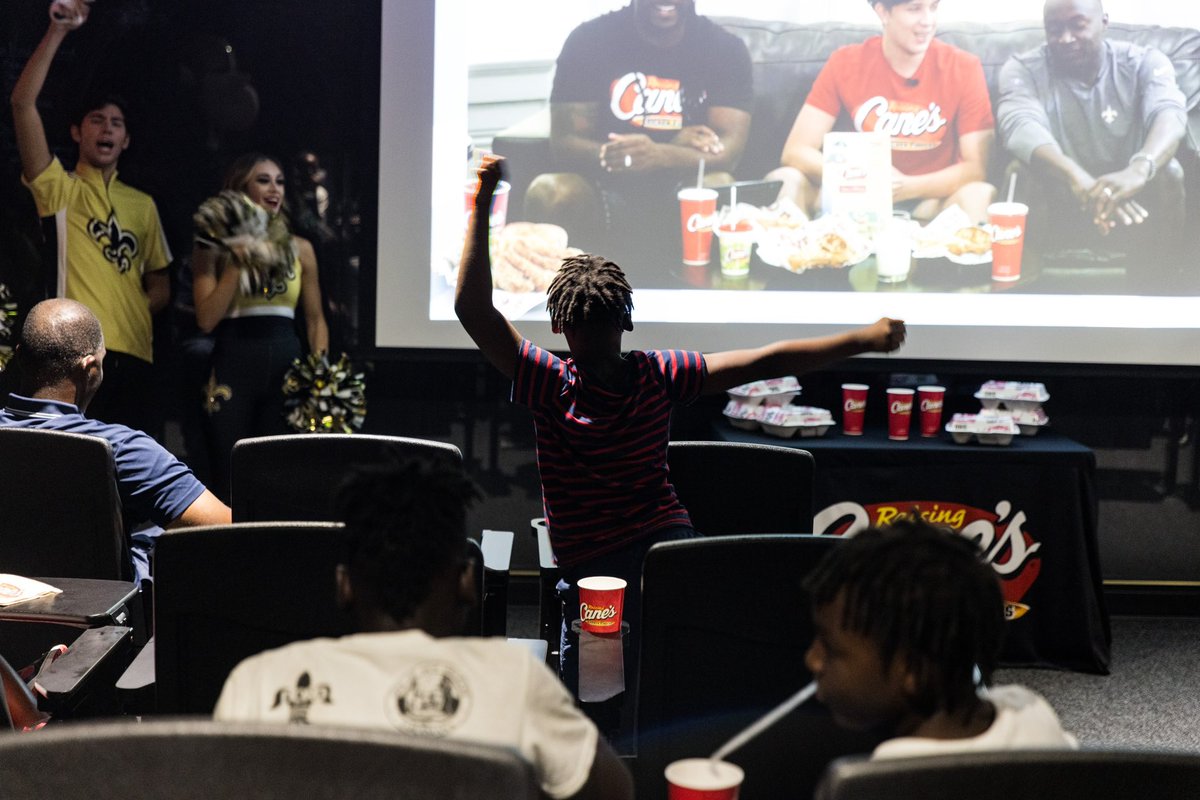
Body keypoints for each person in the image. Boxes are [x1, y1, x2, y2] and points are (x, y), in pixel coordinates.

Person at [457, 156, 905, 698]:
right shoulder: (661, 374)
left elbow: (473, 309)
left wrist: (482, 201)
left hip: (594, 575)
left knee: (600, 684)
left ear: (558, 325)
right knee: (678, 664)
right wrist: (861, 338)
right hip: (671, 553)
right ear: (626, 319)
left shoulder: (549, 384)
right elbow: (766, 359)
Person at [214, 457, 633, 800]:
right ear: (467, 582)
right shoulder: (513, 679)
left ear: (344, 586)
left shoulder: (255, 682)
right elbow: (615, 791)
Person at [10, 0, 173, 433]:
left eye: (116, 123)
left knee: (132, 477)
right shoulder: (57, 189)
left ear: (126, 139)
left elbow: (160, 283)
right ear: (77, 132)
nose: (107, 128)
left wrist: (135, 304)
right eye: (96, 120)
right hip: (72, 358)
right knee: (75, 470)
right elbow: (23, 105)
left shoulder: (143, 204)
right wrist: (58, 31)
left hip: (135, 353)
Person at [803, 518, 1077, 757]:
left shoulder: (877, 779)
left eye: (830, 648)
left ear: (914, 671)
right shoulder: (1032, 714)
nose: (812, 659)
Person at [0, 299, 230, 583]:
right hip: (95, 622)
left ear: (20, 356)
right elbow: (229, 529)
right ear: (90, 368)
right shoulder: (122, 449)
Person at [523, 0, 753, 266]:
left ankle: (709, 299)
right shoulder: (589, 40)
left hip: (683, 188)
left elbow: (729, 151)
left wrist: (661, 154)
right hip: (603, 188)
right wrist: (623, 155)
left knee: (718, 183)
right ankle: (567, 299)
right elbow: (564, 143)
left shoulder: (724, 48)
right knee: (551, 191)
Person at [770, 0, 996, 222]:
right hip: (852, 196)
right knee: (784, 179)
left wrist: (907, 187)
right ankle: (802, 255)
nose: (928, 21)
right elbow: (795, 151)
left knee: (979, 194)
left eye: (933, 7)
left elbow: (975, 169)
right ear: (883, 12)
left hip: (929, 201)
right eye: (914, 8)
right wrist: (864, 177)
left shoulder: (964, 67)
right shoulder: (846, 62)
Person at [995, 0, 1187, 257]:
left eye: (1077, 26)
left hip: (1133, 194)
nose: (1065, 38)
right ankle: (1020, 287)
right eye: (1054, 29)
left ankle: (1162, 288)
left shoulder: (1144, 62)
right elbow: (1020, 125)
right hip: (1060, 190)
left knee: (1170, 171)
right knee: (1019, 171)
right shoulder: (1023, 69)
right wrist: (1077, 178)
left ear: (1104, 22)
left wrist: (1139, 170)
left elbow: (1170, 115)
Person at [192, 153, 329, 500]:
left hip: (288, 364)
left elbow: (315, 320)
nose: (274, 188)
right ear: (241, 189)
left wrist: (321, 375)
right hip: (233, 363)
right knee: (229, 475)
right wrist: (238, 263)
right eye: (263, 180)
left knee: (279, 475)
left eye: (279, 180)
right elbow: (206, 319)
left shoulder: (302, 249)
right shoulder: (212, 247)